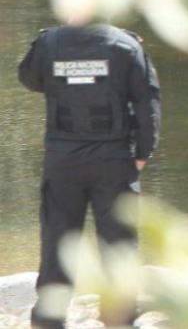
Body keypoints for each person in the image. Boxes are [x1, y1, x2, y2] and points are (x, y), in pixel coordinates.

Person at [19, 23, 162, 329]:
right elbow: (146, 103)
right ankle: (120, 319)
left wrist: (69, 78)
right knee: (118, 242)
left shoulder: (49, 43)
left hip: (63, 159)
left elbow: (29, 79)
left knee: (58, 239)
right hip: (114, 159)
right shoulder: (126, 45)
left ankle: (48, 320)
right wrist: (143, 153)